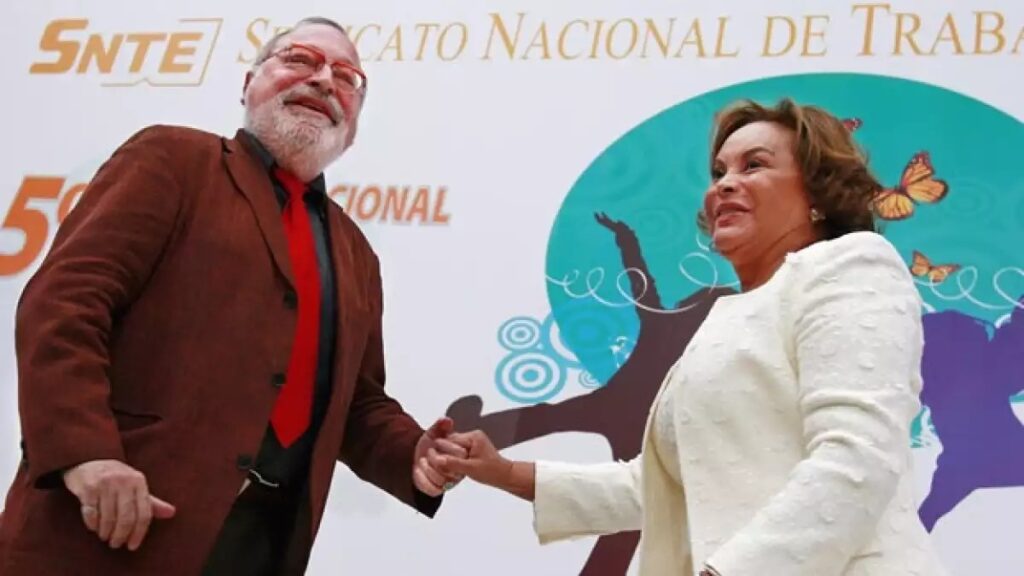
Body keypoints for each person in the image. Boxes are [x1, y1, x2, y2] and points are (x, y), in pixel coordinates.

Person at [0, 16, 464, 576]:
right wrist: (86, 454)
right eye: (299, 60)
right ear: (248, 84)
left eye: (346, 77)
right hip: (112, 530)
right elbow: (64, 305)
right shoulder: (172, 159)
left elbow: (357, 403)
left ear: (354, 128)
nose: (323, 80)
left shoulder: (356, 252)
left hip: (259, 548)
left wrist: (414, 455)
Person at [442, 98, 950, 575]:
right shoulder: (732, 314)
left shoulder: (850, 266)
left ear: (818, 193)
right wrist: (503, 471)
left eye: (754, 165)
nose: (724, 185)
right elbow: (667, 485)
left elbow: (856, 459)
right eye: (719, 172)